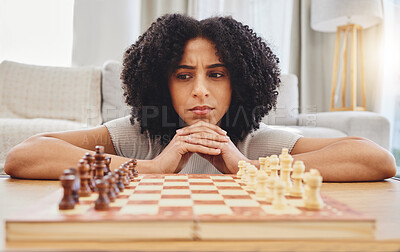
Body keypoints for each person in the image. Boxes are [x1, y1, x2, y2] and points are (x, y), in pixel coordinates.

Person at [4, 14, 396, 181]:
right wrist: (153, 168)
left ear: (239, 83)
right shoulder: (130, 137)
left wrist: (247, 167)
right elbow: (25, 155)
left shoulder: (256, 143)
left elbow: (376, 158)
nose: (200, 90)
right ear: (161, 84)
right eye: (183, 75)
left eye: (217, 74)